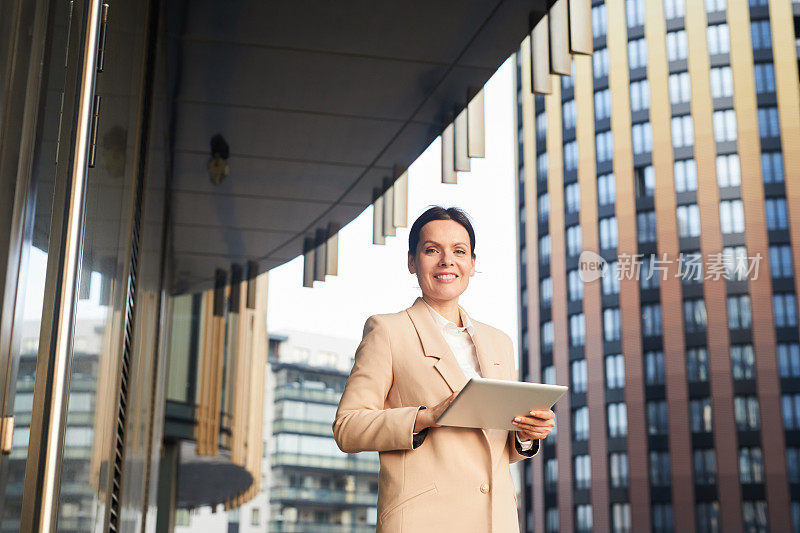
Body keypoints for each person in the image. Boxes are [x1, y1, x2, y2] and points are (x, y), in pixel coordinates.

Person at [333, 206, 556, 532]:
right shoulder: (388, 331)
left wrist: (525, 433)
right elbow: (347, 427)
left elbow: (493, 448)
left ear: (472, 264)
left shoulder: (499, 342)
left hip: (496, 521)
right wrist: (426, 416)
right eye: (432, 250)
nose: (447, 260)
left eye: (459, 251)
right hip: (422, 521)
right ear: (412, 261)